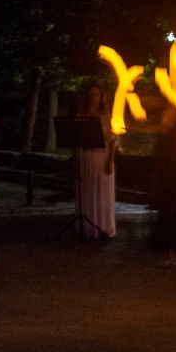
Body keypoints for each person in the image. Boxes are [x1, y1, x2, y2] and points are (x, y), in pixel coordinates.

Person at [147, 99, 176, 266]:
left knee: (170, 207)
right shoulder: (169, 105)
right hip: (167, 163)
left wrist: (135, 129)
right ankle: (169, 250)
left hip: (172, 164)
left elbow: (164, 128)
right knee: (166, 206)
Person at [77, 82, 117, 238]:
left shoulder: (107, 117)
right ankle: (88, 226)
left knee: (101, 191)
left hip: (102, 157)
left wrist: (110, 160)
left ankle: (103, 226)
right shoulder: (81, 117)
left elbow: (114, 140)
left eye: (96, 94)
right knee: (87, 191)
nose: (92, 97)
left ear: (101, 97)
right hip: (86, 156)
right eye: (90, 94)